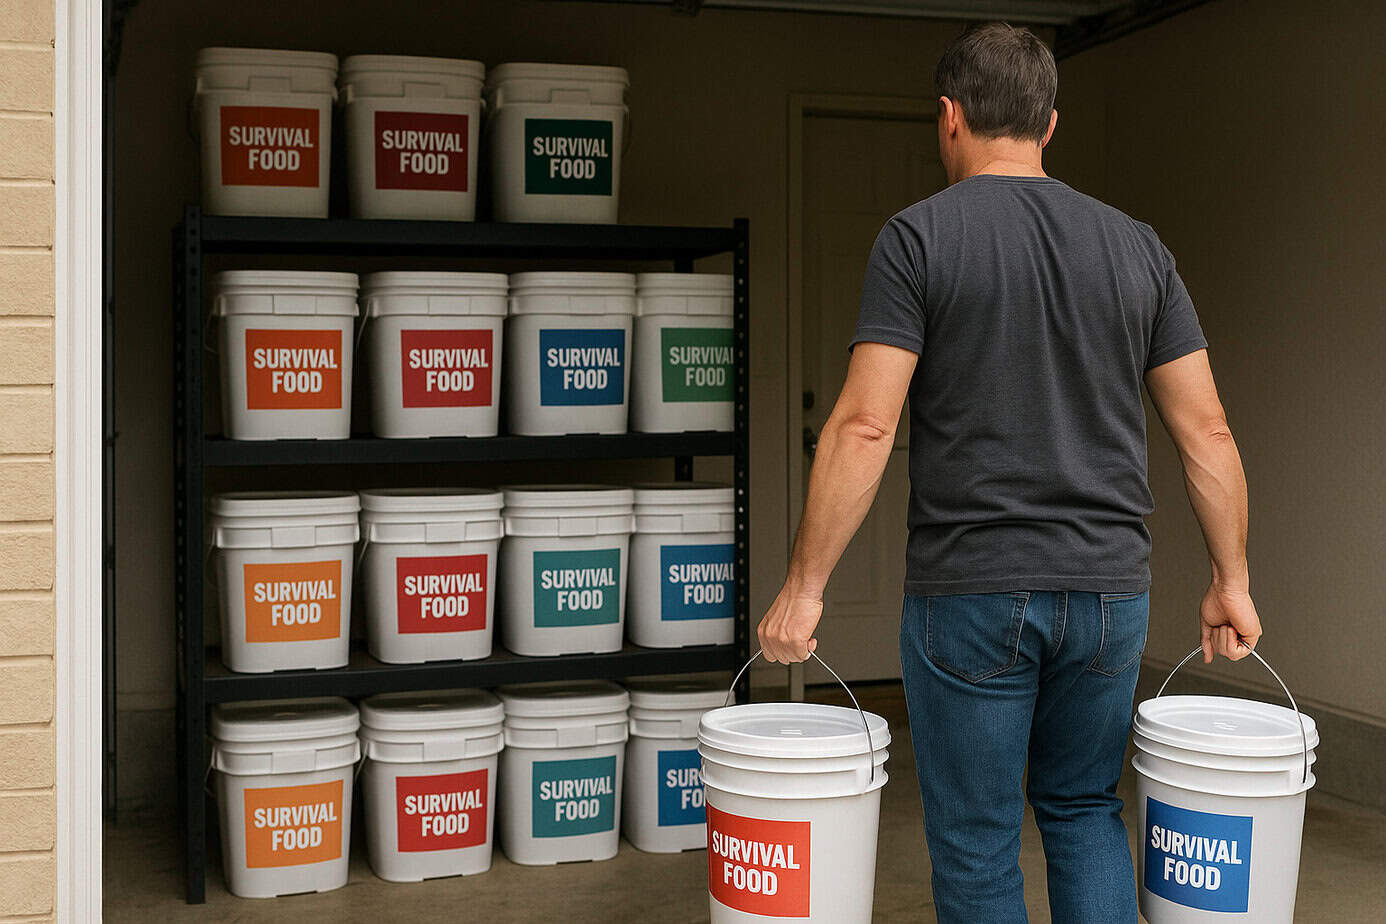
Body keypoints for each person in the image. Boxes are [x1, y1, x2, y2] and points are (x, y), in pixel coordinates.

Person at [756, 21, 1263, 924]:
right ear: (1050, 125)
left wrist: (805, 587)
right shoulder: (1138, 248)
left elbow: (867, 424)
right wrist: (1231, 579)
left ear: (949, 117)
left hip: (973, 593)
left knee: (978, 837)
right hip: (1110, 593)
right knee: (1082, 809)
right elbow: (1210, 430)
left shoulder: (917, 240)